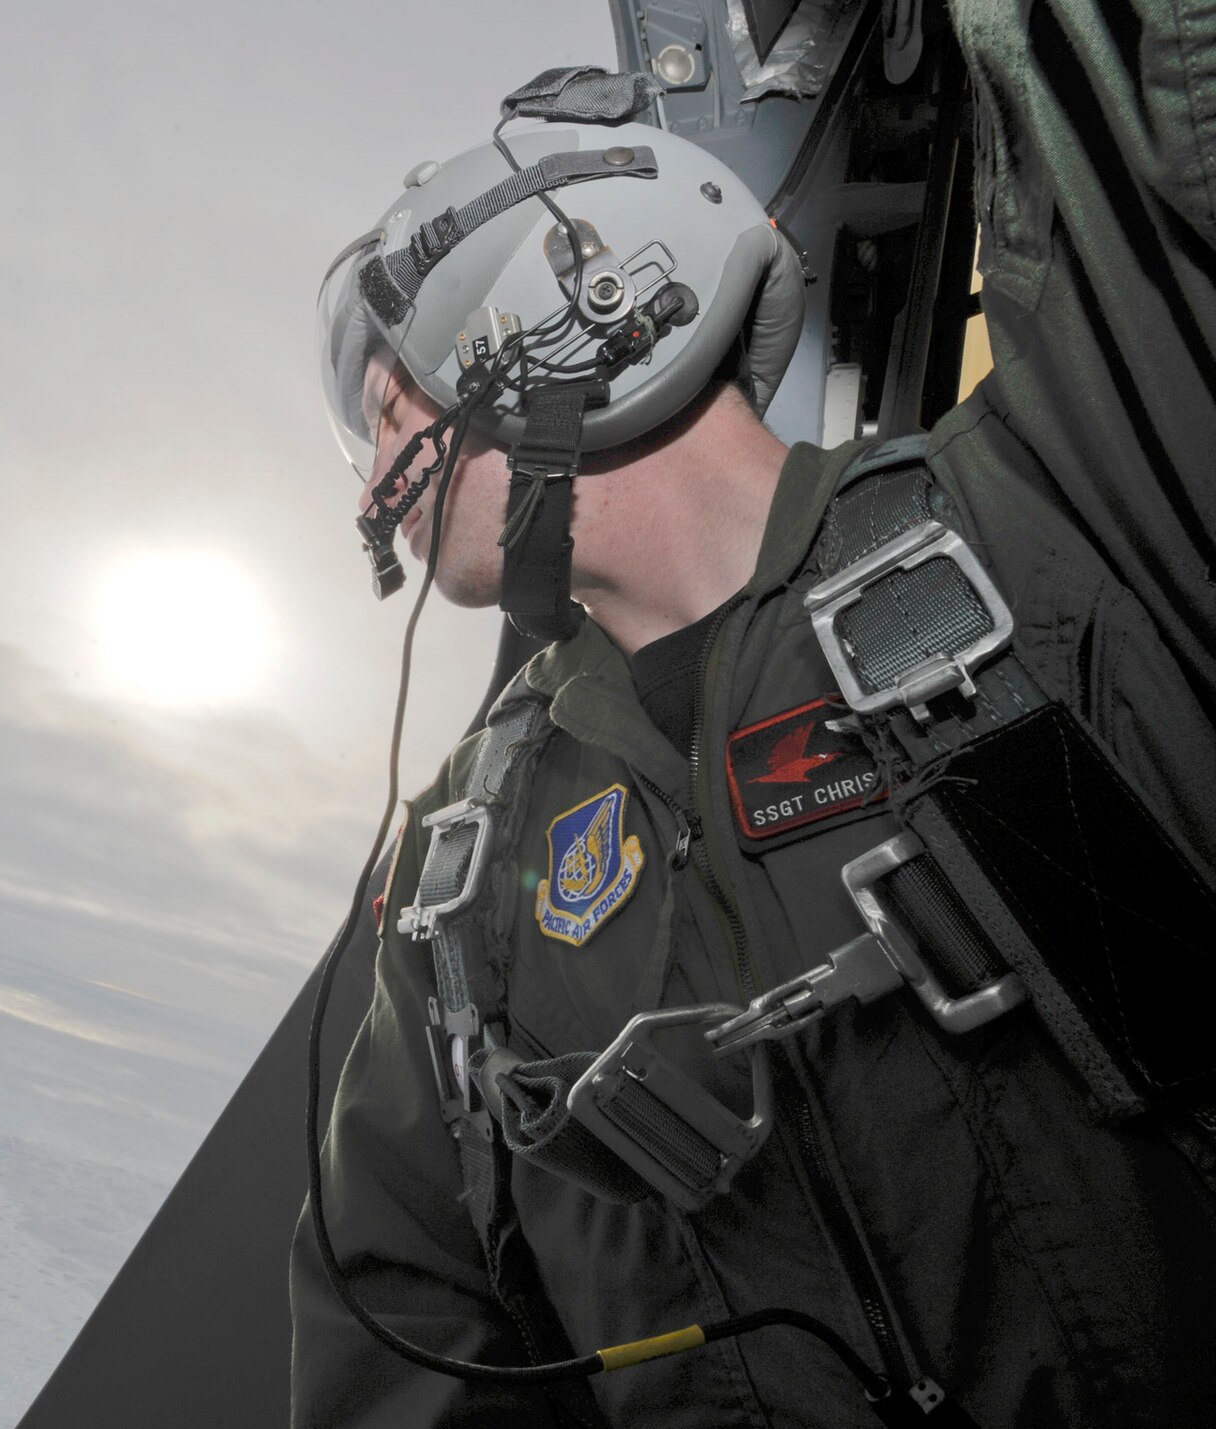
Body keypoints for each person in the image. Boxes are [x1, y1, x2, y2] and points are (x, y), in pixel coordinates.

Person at [290, 3, 1216, 1426]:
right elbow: (411, 1336)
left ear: (555, 298)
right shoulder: (460, 871)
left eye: (392, 407)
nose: (372, 493)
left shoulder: (1055, 524)